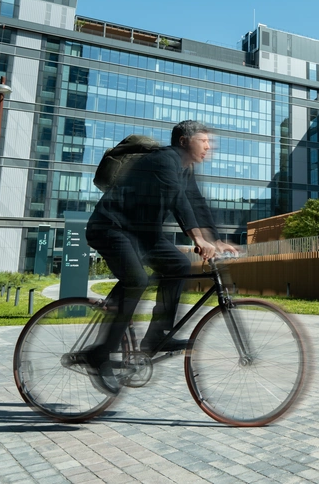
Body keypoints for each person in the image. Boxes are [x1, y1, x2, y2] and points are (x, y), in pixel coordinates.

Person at [82, 120, 237, 394]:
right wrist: (198, 239)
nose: (208, 146)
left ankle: (156, 336)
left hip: (142, 234)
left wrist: (214, 239)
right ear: (183, 141)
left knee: (178, 264)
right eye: (203, 140)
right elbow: (178, 200)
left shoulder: (185, 171)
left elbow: (196, 204)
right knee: (137, 281)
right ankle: (99, 355)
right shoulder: (163, 160)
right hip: (111, 227)